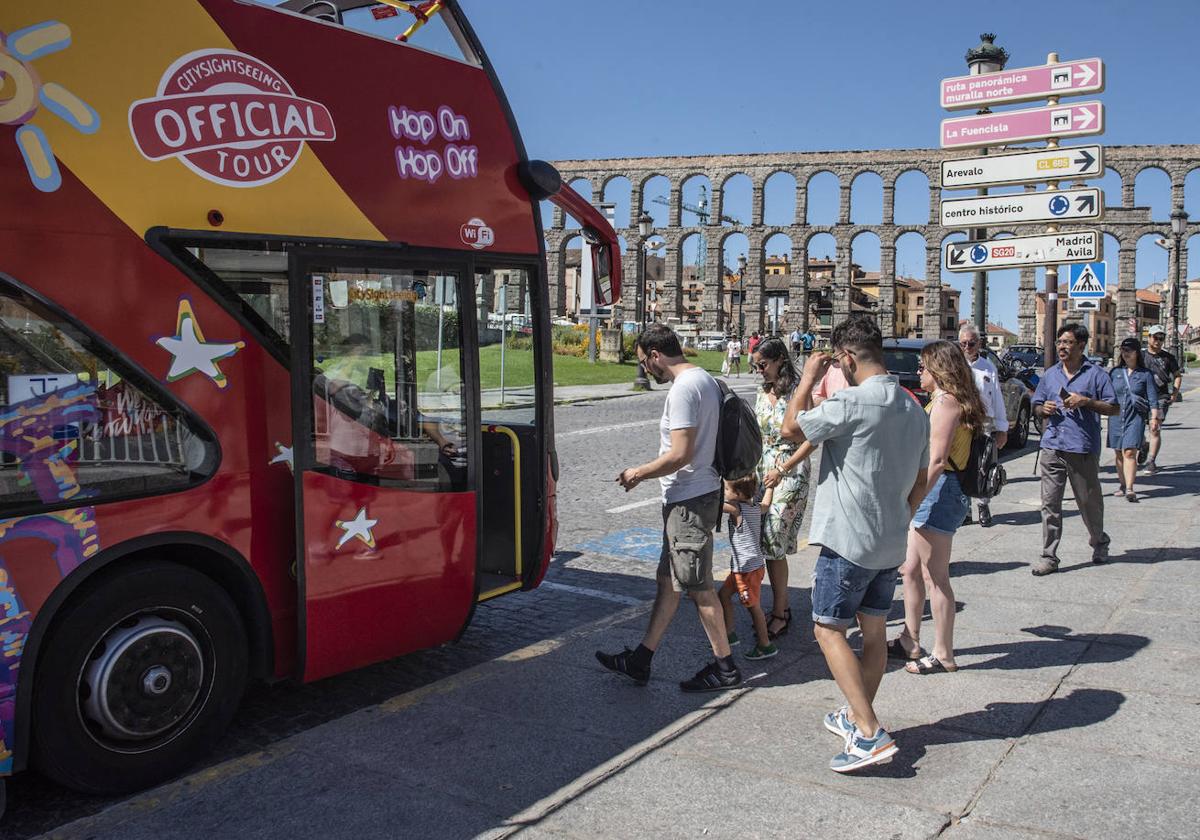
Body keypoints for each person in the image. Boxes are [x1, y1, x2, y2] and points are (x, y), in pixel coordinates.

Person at [781, 314, 929, 773]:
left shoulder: (853, 401)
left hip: (848, 539)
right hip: (889, 541)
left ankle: (868, 732)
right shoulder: (912, 406)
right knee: (873, 632)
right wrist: (900, 515)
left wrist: (806, 379)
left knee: (827, 630)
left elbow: (791, 430)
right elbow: (922, 480)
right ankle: (854, 713)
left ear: (845, 357)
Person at [597, 324, 741, 691]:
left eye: (645, 362)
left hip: (689, 501)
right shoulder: (705, 379)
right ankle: (640, 660)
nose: (646, 369)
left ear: (656, 354)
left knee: (698, 587)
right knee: (669, 582)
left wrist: (638, 473)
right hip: (693, 496)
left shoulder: (682, 390)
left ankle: (725, 668)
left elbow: (680, 454)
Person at [890, 340, 987, 675]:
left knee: (936, 577)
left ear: (939, 370)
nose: (919, 372)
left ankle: (943, 653)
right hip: (941, 490)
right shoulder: (946, 400)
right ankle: (909, 639)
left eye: (923, 367)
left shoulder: (946, 403)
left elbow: (936, 460)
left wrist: (913, 499)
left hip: (940, 490)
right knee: (911, 570)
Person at [1030, 323, 1120, 576]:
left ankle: (1099, 541)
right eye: (1059, 342)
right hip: (1052, 446)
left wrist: (1087, 402)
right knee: (1050, 504)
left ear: (1081, 346)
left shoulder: (1097, 375)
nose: (1062, 347)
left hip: (1082, 448)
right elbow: (1036, 403)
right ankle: (1049, 556)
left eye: (1068, 342)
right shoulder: (1050, 375)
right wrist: (1043, 408)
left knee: (1089, 502)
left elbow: (1114, 409)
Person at [748, 337, 812, 640]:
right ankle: (775, 606)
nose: (759, 370)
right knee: (764, 541)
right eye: (756, 365)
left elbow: (813, 438)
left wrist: (782, 468)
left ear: (779, 361)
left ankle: (780, 612)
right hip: (763, 471)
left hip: (791, 471)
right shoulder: (762, 391)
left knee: (773, 538)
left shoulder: (799, 393)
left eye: (763, 364)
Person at [717, 475, 777, 661]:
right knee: (723, 595)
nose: (724, 492)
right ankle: (729, 633)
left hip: (746, 570)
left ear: (739, 494)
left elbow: (716, 504)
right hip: (745, 567)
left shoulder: (736, 509)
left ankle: (765, 645)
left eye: (726, 489)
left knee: (753, 607)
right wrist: (770, 487)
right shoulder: (755, 507)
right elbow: (767, 504)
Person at [958, 324, 1008, 527]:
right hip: (961, 421)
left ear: (978, 343)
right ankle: (965, 509)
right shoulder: (955, 365)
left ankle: (983, 504)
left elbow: (997, 397)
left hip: (984, 420)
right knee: (961, 465)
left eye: (971, 343)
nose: (967, 347)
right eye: (963, 344)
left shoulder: (988, 367)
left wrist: (1002, 428)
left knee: (983, 464)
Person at [1109, 337, 1160, 502]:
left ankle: (1130, 488)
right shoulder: (1115, 373)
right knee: (1118, 453)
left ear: (1137, 352)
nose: (1125, 354)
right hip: (1116, 417)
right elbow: (1106, 395)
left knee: (1129, 452)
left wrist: (1154, 419)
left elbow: (1153, 399)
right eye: (1123, 351)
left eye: (1129, 351)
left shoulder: (1145, 375)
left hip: (1135, 417)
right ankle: (1122, 485)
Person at [1140, 324, 1182, 475]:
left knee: (1154, 428)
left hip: (1160, 398)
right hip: (1142, 397)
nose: (1158, 341)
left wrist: (1175, 393)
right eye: (1155, 337)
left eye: (1161, 338)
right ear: (1149, 338)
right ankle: (1144, 445)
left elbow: (1177, 375)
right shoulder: (1141, 356)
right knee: (1137, 429)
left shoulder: (1168, 358)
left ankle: (1151, 461)